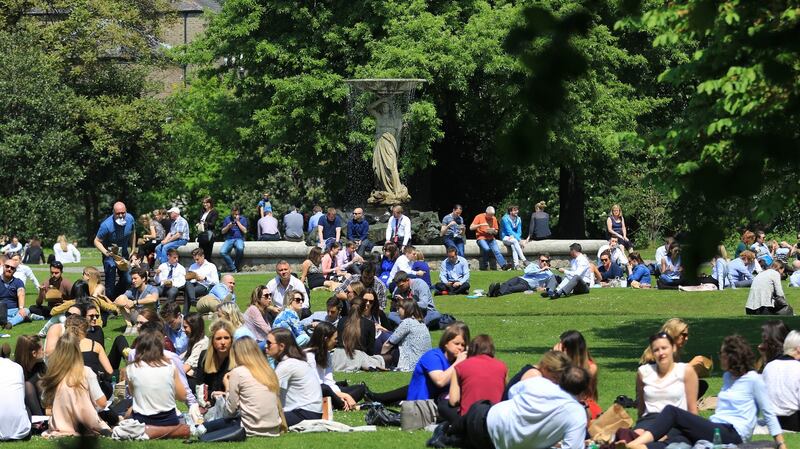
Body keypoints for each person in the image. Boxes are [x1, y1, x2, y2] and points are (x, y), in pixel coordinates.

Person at [624, 335, 786, 449]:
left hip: (733, 432)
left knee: (672, 412)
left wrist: (781, 444)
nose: (718, 358)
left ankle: (635, 444)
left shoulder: (753, 380)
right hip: (715, 426)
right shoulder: (728, 376)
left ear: (732, 356)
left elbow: (768, 413)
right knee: (679, 439)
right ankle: (642, 447)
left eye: (721, 355)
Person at [448, 361, 590, 449]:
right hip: (498, 442)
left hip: (486, 422)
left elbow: (512, 392)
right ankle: (449, 436)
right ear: (583, 392)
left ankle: (447, 433)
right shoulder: (577, 413)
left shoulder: (540, 383)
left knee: (479, 408)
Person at [201, 337, 286, 438]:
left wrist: (227, 386)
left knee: (204, 427)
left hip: (250, 429)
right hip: (273, 428)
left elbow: (229, 412)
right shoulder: (268, 371)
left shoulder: (239, 372)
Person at [367, 322, 470, 405]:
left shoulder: (458, 360)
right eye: (457, 344)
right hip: (422, 406)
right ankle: (377, 399)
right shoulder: (433, 357)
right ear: (446, 343)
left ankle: (381, 399)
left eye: (463, 345)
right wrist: (459, 362)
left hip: (440, 401)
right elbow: (440, 381)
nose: (460, 348)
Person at [40, 333, 111, 437]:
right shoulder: (86, 372)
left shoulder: (53, 373)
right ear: (78, 351)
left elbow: (45, 402)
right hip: (87, 423)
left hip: (60, 424)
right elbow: (102, 403)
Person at [634, 332, 699, 436]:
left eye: (664, 348)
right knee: (635, 434)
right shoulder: (644, 372)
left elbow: (692, 410)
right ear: (652, 353)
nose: (661, 353)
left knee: (659, 439)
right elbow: (641, 407)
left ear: (673, 348)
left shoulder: (686, 371)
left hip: (675, 422)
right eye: (656, 350)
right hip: (650, 419)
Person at [126, 329, 186, 426]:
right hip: (170, 420)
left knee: (126, 415)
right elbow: (182, 396)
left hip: (142, 421)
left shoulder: (131, 369)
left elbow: (134, 394)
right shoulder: (170, 366)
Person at [445, 334, 507, 423]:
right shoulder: (502, 366)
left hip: (469, 420)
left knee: (443, 404)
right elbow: (504, 394)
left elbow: (453, 401)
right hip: (495, 419)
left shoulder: (460, 367)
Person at [267, 328, 323, 426]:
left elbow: (269, 392)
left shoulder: (287, 365)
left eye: (269, 343)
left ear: (281, 346)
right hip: (311, 412)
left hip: (304, 413)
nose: (266, 347)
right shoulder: (293, 361)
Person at [306, 322, 366, 410]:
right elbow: (316, 385)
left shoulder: (326, 354)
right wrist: (345, 396)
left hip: (327, 390)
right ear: (326, 339)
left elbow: (329, 381)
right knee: (325, 389)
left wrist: (339, 395)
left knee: (361, 389)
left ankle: (338, 403)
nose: (336, 341)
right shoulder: (309, 356)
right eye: (335, 339)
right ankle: (340, 404)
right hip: (314, 392)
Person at [94, 201, 136, 298]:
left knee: (128, 280)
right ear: (113, 212)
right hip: (110, 255)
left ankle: (116, 298)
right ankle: (110, 303)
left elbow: (133, 233)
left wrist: (133, 248)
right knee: (110, 281)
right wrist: (105, 252)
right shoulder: (106, 225)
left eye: (123, 213)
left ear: (126, 211)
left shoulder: (130, 219)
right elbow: (96, 241)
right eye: (118, 214)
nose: (121, 216)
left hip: (123, 254)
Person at [332, 297, 385, 371]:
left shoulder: (341, 321)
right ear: (364, 308)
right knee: (385, 358)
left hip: (338, 357)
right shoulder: (369, 324)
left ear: (350, 307)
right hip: (358, 357)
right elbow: (370, 350)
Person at [762, 330, 800, 431]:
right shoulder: (797, 367)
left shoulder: (769, 366)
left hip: (772, 420)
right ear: (798, 349)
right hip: (794, 422)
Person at [196, 319, 235, 407]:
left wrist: (224, 394)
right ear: (212, 341)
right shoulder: (204, 356)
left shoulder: (237, 359)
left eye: (226, 338)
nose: (223, 342)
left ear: (231, 340)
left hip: (229, 405)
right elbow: (200, 385)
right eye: (218, 338)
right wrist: (212, 394)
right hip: (208, 404)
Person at [113, 267, 159, 334]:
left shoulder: (152, 289)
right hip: (137, 315)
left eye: (135, 278)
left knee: (148, 297)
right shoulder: (133, 290)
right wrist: (126, 302)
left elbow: (154, 299)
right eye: (132, 279)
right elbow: (118, 300)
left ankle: (144, 326)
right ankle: (129, 326)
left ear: (143, 279)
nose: (133, 281)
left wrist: (135, 302)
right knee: (122, 299)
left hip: (150, 318)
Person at [488, 253, 555, 297]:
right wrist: (541, 270)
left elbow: (550, 284)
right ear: (539, 260)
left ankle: (493, 293)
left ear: (549, 262)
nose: (544, 262)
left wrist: (544, 288)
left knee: (512, 289)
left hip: (527, 285)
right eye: (542, 260)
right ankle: (494, 292)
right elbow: (527, 272)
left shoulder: (549, 274)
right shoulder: (533, 265)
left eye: (546, 261)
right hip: (520, 278)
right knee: (506, 284)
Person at [0, 353, 31, 440]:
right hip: (22, 431)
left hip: (21, 431)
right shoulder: (17, 367)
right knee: (26, 408)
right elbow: (22, 397)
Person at [471, 206, 512, 271]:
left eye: (492, 215)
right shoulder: (479, 216)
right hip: (481, 237)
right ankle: (484, 266)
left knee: (497, 251)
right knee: (486, 249)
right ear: (486, 213)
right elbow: (471, 227)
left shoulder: (494, 218)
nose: (491, 217)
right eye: (490, 215)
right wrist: (479, 225)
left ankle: (504, 266)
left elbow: (496, 231)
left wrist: (493, 231)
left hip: (491, 238)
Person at [15, 334, 46, 416]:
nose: (44, 352)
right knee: (28, 386)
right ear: (34, 353)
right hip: (24, 412)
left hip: (42, 408)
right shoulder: (16, 371)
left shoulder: (41, 366)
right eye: (42, 349)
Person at [183, 248, 220, 316]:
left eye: (197, 259)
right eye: (194, 259)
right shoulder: (192, 266)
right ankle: (193, 300)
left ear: (202, 256)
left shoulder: (211, 266)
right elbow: (188, 278)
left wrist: (205, 278)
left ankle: (184, 314)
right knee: (188, 283)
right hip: (192, 285)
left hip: (203, 286)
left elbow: (216, 282)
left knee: (188, 292)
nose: (196, 261)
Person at [0, 257, 33, 329]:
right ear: (3, 267)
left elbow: (21, 293)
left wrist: (21, 308)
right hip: (1, 310)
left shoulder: (18, 282)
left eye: (12, 268)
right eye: (7, 266)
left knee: (25, 310)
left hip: (14, 310)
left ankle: (9, 323)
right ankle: (21, 318)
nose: (9, 269)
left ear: (15, 271)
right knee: (23, 314)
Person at [181, 313, 208, 388]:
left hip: (195, 380)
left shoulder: (202, 343)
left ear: (194, 327)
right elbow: (182, 356)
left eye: (185, 327)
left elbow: (187, 367)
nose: (183, 330)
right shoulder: (194, 340)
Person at [220, 206, 248, 273]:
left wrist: (238, 222)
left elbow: (245, 231)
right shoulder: (227, 219)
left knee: (240, 248)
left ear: (239, 212)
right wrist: (228, 226)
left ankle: (234, 266)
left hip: (239, 238)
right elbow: (222, 231)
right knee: (222, 252)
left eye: (236, 214)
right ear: (231, 212)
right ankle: (233, 268)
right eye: (234, 214)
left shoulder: (243, 219)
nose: (235, 215)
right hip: (229, 239)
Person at [500, 205, 528, 269]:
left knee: (513, 245)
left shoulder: (518, 219)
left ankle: (516, 265)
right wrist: (519, 240)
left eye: (517, 210)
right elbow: (509, 231)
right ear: (510, 212)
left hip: (513, 238)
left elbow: (519, 231)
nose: (517, 212)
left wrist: (516, 237)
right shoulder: (505, 219)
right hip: (506, 237)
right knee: (515, 241)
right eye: (515, 210)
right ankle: (524, 260)